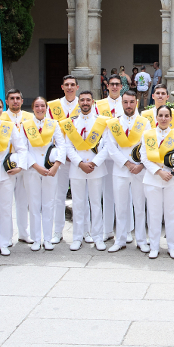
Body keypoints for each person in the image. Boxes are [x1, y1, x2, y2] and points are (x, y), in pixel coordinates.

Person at [60, 90, 111, 251]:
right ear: (78, 103)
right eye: (82, 100)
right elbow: (68, 146)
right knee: (78, 204)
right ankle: (77, 237)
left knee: (96, 204)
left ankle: (97, 237)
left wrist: (94, 162)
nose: (85, 103)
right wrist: (79, 163)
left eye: (88, 100)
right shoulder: (71, 123)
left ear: (93, 102)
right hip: (77, 169)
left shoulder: (101, 122)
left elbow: (108, 145)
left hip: (96, 169)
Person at [141, 85, 174, 244]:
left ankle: (171, 246)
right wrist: (158, 171)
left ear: (171, 118)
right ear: (156, 118)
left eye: (166, 116)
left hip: (173, 179)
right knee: (154, 214)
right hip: (152, 178)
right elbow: (144, 156)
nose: (163, 118)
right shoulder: (148, 134)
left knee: (171, 214)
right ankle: (154, 246)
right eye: (160, 116)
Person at [104, 91, 151, 252]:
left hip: (139, 170)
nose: (128, 105)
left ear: (136, 103)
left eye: (131, 102)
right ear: (121, 103)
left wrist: (141, 165)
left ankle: (141, 240)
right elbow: (111, 148)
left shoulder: (144, 122)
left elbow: (148, 146)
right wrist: (127, 164)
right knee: (121, 206)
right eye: (125, 102)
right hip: (121, 170)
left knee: (139, 206)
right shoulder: (113, 123)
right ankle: (120, 239)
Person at [0, 96, 27, 258]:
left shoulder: (9, 126)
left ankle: (5, 241)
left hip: (7, 172)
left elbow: (21, 148)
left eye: (0, 107)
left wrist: (20, 166)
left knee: (6, 209)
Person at [23, 97, 66, 251]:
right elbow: (23, 149)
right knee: (34, 205)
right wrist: (35, 166)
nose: (40, 108)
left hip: (50, 171)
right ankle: (36, 239)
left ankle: (47, 238)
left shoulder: (53, 124)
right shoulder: (25, 125)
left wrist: (56, 165)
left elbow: (62, 145)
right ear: (32, 108)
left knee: (49, 204)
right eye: (37, 106)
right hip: (32, 170)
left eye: (42, 106)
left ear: (46, 108)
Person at [47, 75, 80, 245]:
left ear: (77, 87)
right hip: (60, 158)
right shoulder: (53, 106)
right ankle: (57, 232)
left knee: (80, 197)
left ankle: (81, 232)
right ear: (62, 87)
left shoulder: (84, 104)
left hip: (77, 157)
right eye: (66, 85)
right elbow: (48, 130)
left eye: (72, 85)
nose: (69, 87)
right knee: (58, 196)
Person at [95, 74, 126, 244]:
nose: (114, 87)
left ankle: (127, 230)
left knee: (125, 195)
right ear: (107, 86)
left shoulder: (127, 103)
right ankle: (107, 230)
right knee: (107, 194)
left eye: (117, 84)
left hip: (123, 155)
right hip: (105, 156)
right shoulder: (98, 105)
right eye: (112, 84)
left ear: (121, 86)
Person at [3, 89, 35, 245]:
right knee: (6, 202)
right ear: (6, 101)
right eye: (12, 98)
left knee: (23, 201)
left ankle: (24, 233)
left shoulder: (29, 117)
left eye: (18, 98)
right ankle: (6, 236)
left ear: (22, 101)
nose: (15, 101)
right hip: (6, 165)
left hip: (25, 164)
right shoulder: (0, 117)